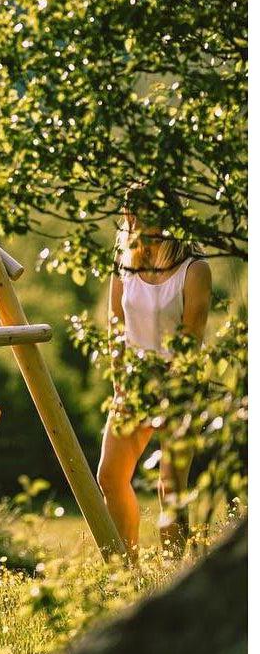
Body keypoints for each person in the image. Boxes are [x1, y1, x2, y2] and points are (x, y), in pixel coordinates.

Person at [96, 186, 212, 561]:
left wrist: (167, 389)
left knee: (170, 488)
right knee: (110, 477)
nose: (132, 222)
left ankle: (174, 574)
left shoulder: (194, 269)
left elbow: (190, 340)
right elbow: (115, 325)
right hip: (131, 383)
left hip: (177, 385)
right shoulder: (123, 263)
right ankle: (124, 569)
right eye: (129, 215)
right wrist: (121, 382)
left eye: (140, 214)